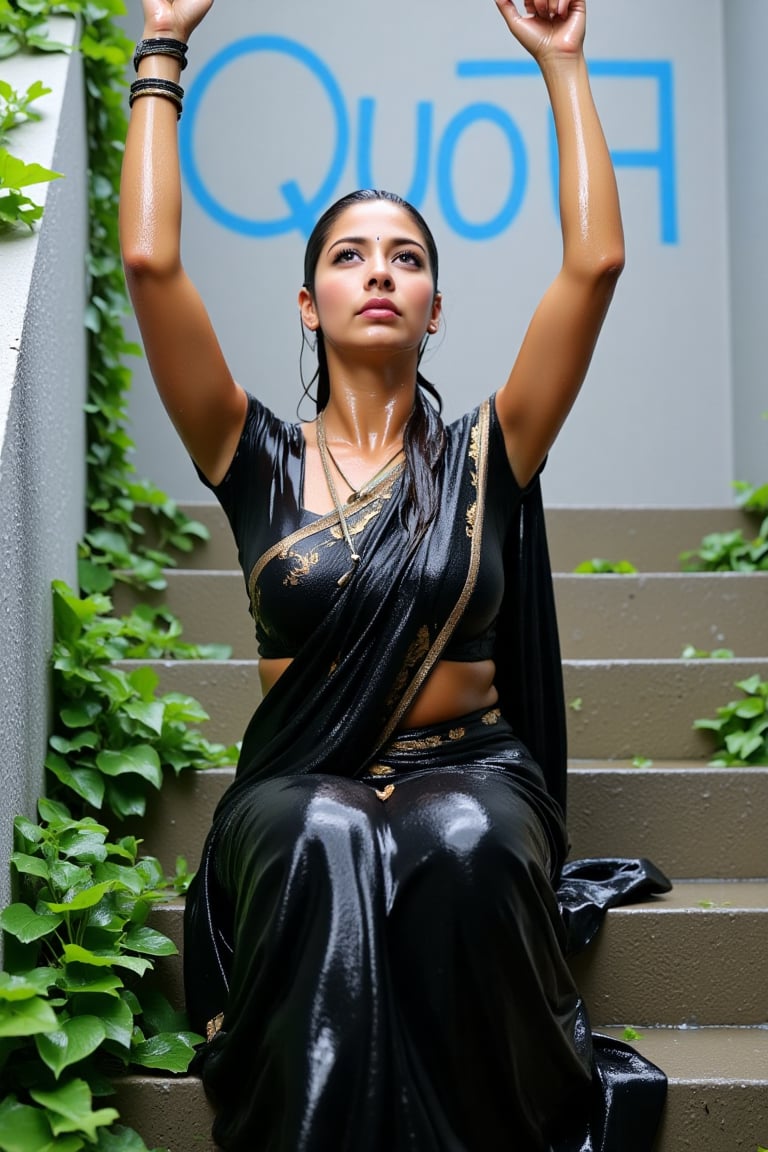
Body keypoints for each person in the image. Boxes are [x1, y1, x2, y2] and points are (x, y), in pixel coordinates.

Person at [120, 1, 671, 1149]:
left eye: (407, 258)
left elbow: (597, 260)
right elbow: (148, 259)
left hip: (469, 767)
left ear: (435, 305)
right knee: (323, 839)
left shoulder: (491, 447)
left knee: (463, 846)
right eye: (349, 255)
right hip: (304, 775)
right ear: (307, 299)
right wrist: (160, 46)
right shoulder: (247, 450)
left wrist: (562, 60)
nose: (379, 273)